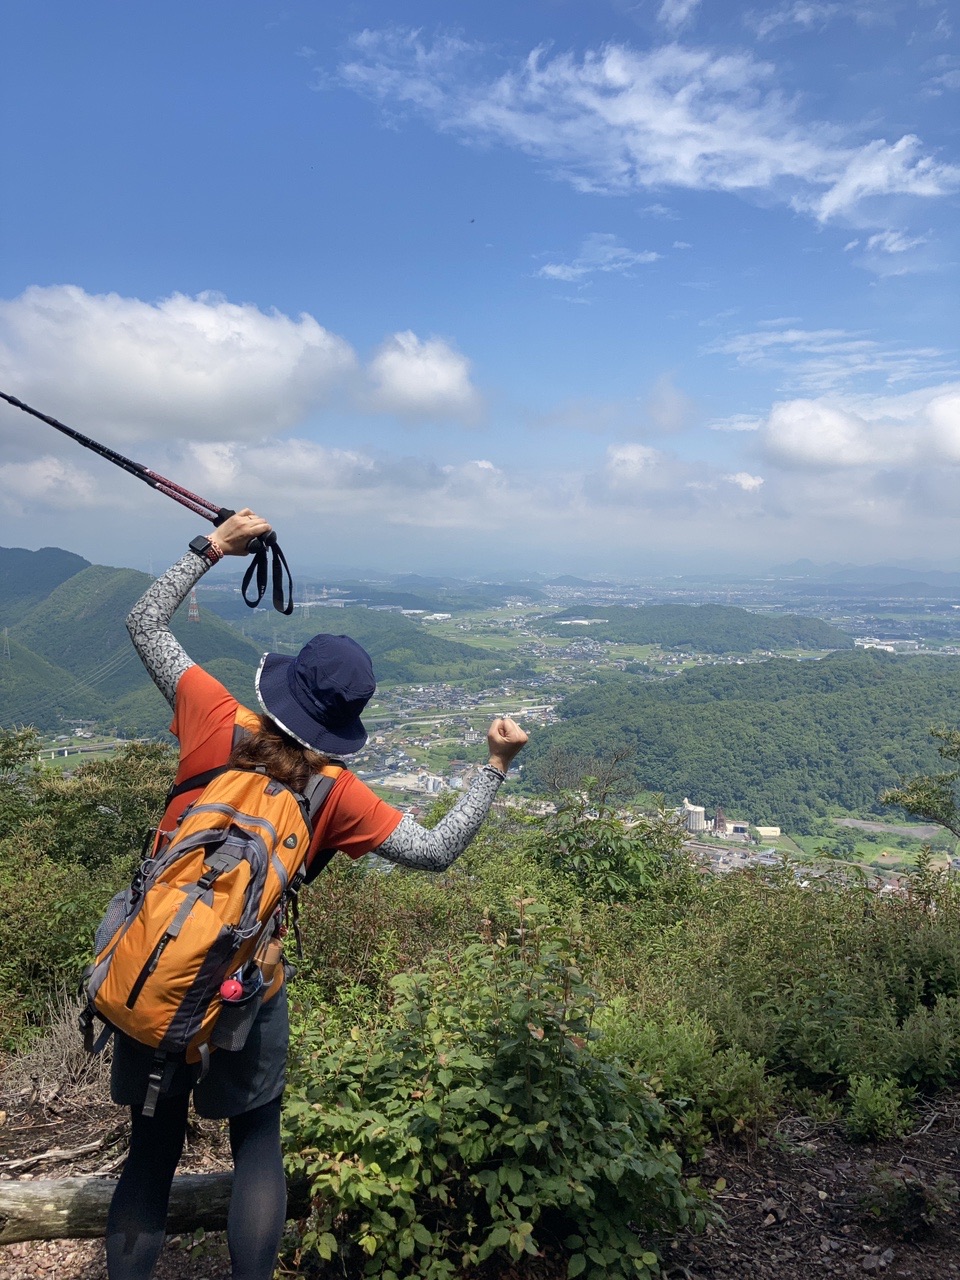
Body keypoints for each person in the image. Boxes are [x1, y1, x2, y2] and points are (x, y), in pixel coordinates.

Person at [106, 507, 528, 1280]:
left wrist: (214, 548)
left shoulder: (213, 716)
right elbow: (435, 851)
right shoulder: (338, 795)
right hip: (244, 988)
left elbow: (144, 622)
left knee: (151, 1154)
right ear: (346, 723)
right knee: (256, 1146)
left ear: (285, 683)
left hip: (156, 963)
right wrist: (492, 767)